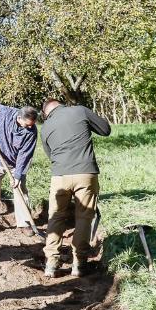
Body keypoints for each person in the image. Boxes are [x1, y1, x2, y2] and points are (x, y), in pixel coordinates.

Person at [40, 98, 111, 277]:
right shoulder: (80, 110)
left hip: (59, 176)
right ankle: (79, 264)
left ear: (46, 112)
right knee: (84, 217)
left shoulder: (46, 127)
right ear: (60, 105)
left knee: (55, 217)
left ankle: (51, 263)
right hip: (85, 173)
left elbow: (50, 154)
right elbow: (105, 130)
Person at [0, 103, 39, 235]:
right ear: (19, 118)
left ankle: (24, 223)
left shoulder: (32, 132)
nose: (30, 127)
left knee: (20, 190)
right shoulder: (5, 112)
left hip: (15, 163)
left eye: (32, 124)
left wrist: (18, 175)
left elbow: (25, 155)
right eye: (28, 124)